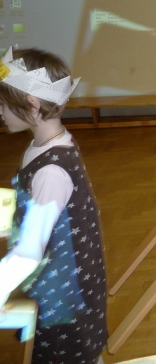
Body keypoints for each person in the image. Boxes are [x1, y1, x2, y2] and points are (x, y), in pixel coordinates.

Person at [0, 47, 108, 364]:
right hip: (58, 274)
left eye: (3, 104)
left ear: (31, 104)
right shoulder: (46, 143)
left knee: (70, 353)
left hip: (63, 288)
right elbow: (28, 199)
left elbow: (29, 251)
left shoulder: (52, 170)